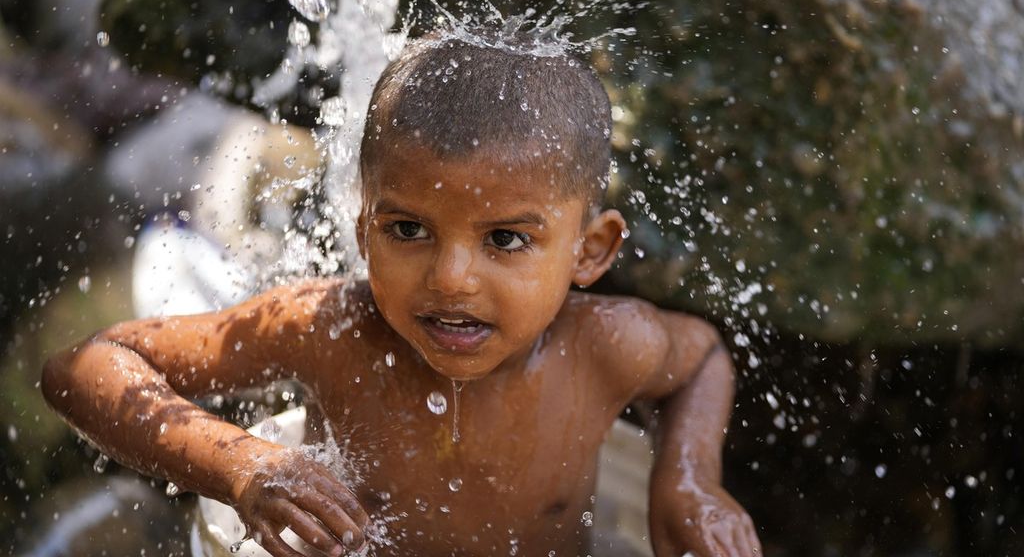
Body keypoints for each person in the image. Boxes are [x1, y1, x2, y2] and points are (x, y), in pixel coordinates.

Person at [42, 31, 762, 557]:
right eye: (409, 228)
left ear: (590, 251)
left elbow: (700, 362)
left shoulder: (605, 348)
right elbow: (84, 365)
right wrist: (241, 465)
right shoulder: (327, 330)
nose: (450, 278)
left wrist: (690, 478)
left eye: (506, 240)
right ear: (363, 228)